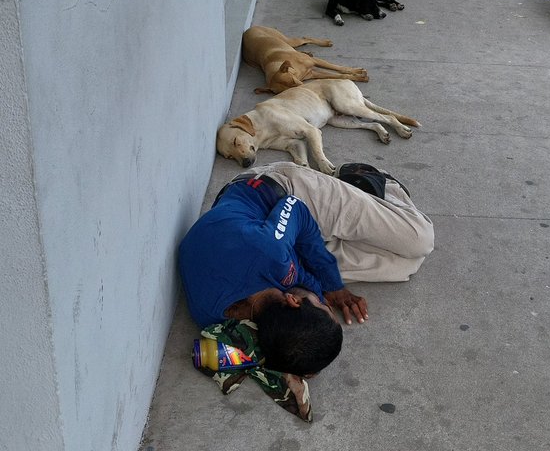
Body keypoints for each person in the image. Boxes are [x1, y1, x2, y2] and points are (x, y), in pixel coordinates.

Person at [178, 162, 434, 380]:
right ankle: (350, 223)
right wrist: (299, 363)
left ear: (292, 300)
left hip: (280, 190)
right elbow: (296, 280)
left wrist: (332, 286)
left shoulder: (272, 256)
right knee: (405, 265)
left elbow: (296, 207)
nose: (325, 301)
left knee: (419, 240)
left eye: (321, 305)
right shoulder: (215, 316)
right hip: (274, 239)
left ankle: (373, 185)